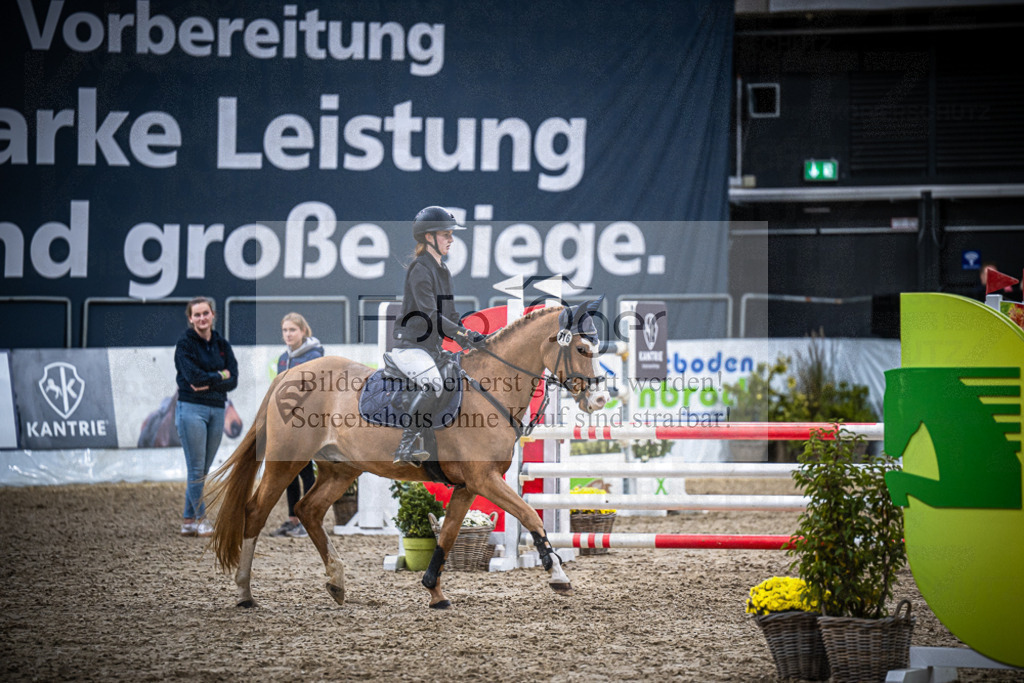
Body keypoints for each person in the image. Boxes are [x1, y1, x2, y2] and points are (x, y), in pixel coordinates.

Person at [391, 206, 486, 466]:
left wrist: (474, 338)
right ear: (429, 237)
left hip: (431, 349)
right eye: (446, 234)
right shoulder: (420, 269)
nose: (451, 239)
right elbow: (429, 316)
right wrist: (461, 333)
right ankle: (407, 445)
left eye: (450, 234)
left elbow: (450, 315)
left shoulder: (442, 270)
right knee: (434, 383)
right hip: (410, 346)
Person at [174, 296, 238, 537]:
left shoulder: (222, 344)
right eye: (197, 314)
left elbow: (234, 380)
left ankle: (188, 520)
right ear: (191, 318)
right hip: (191, 408)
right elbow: (194, 378)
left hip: (217, 408)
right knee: (197, 468)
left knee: (203, 467)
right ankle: (201, 518)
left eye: (205, 313)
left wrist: (210, 379)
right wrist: (219, 375)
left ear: (213, 315)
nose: (202, 318)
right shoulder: (185, 344)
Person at [270, 312, 325, 538]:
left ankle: (308, 519)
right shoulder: (284, 358)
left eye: (292, 330)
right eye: (285, 330)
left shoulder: (315, 355)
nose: (288, 334)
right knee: (289, 471)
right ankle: (293, 519)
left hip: (307, 423)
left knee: (305, 470)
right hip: (289, 423)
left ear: (303, 331)